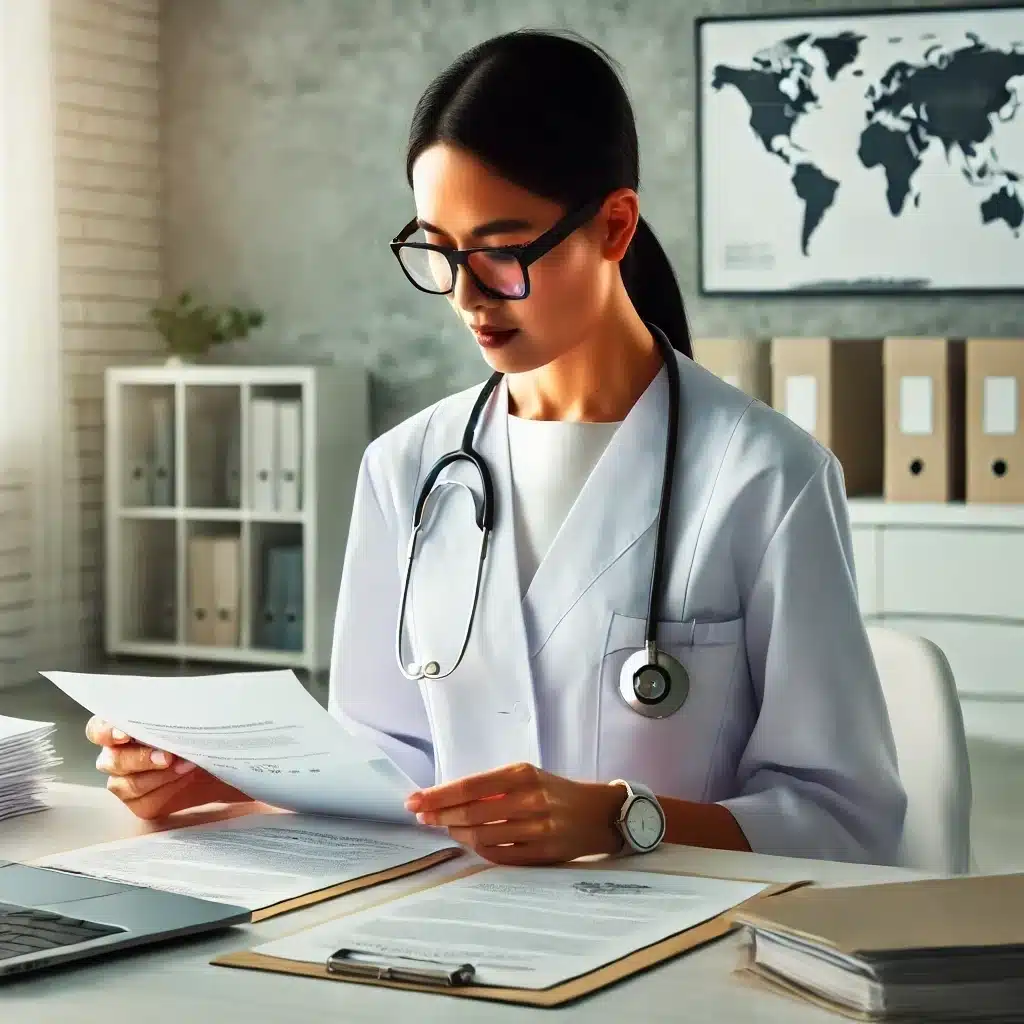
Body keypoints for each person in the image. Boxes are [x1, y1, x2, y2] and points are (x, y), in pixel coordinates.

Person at [86, 29, 906, 867]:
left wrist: (622, 819)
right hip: (446, 934)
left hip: (678, 948)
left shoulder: (768, 477)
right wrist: (225, 779)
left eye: (503, 252)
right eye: (439, 252)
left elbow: (846, 820)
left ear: (615, 226)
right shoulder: (407, 469)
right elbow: (390, 768)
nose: (467, 296)